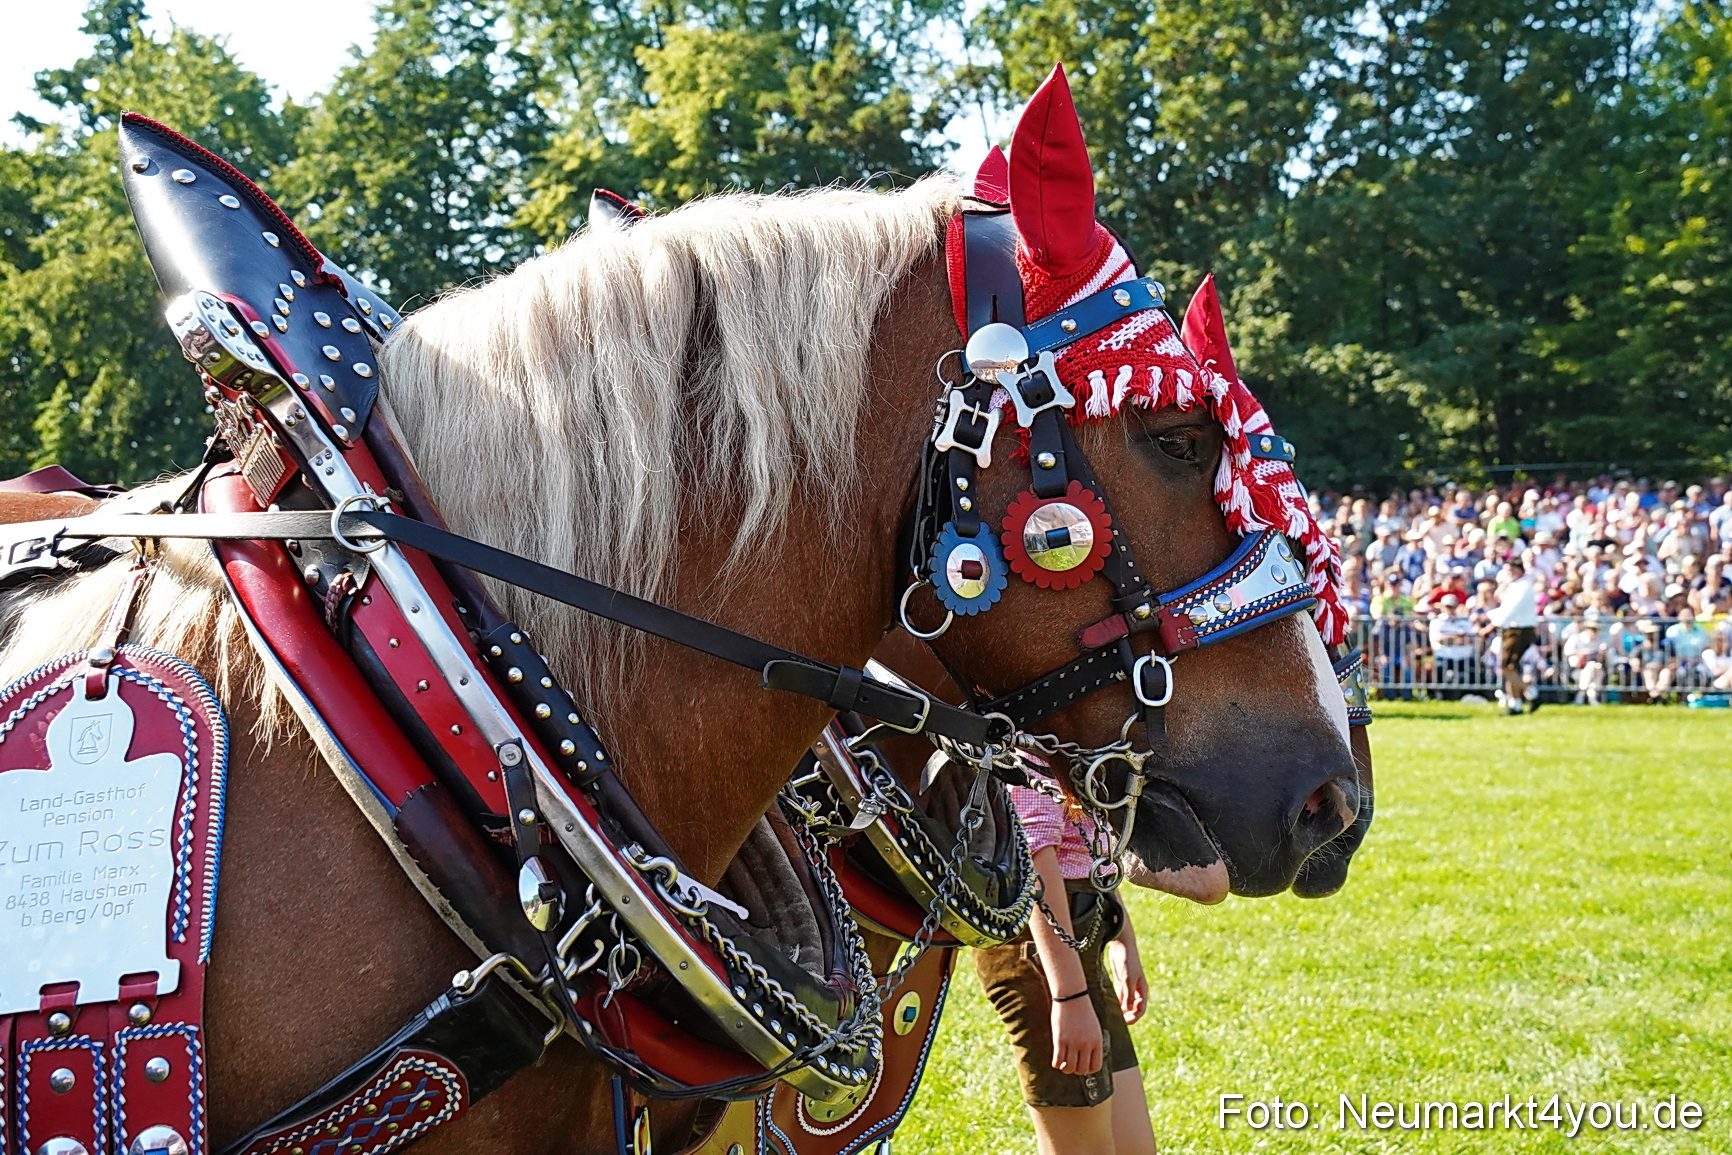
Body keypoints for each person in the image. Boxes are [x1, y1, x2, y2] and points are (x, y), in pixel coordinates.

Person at [975, 771, 1156, 1155]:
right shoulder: (1035, 729)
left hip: (1082, 936)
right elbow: (1033, 856)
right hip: (1044, 954)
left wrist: (1123, 938)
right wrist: (1069, 996)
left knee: (1133, 1147)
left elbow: (1090, 845)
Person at [1488, 560, 1539, 714]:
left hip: (1519, 630)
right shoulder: (1514, 586)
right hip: (1511, 628)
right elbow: (1502, 604)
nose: (1507, 573)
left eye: (1510, 569)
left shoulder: (1523, 586)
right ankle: (1515, 704)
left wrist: (1490, 624)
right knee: (1511, 668)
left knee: (1507, 667)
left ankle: (1531, 694)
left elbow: (1511, 610)